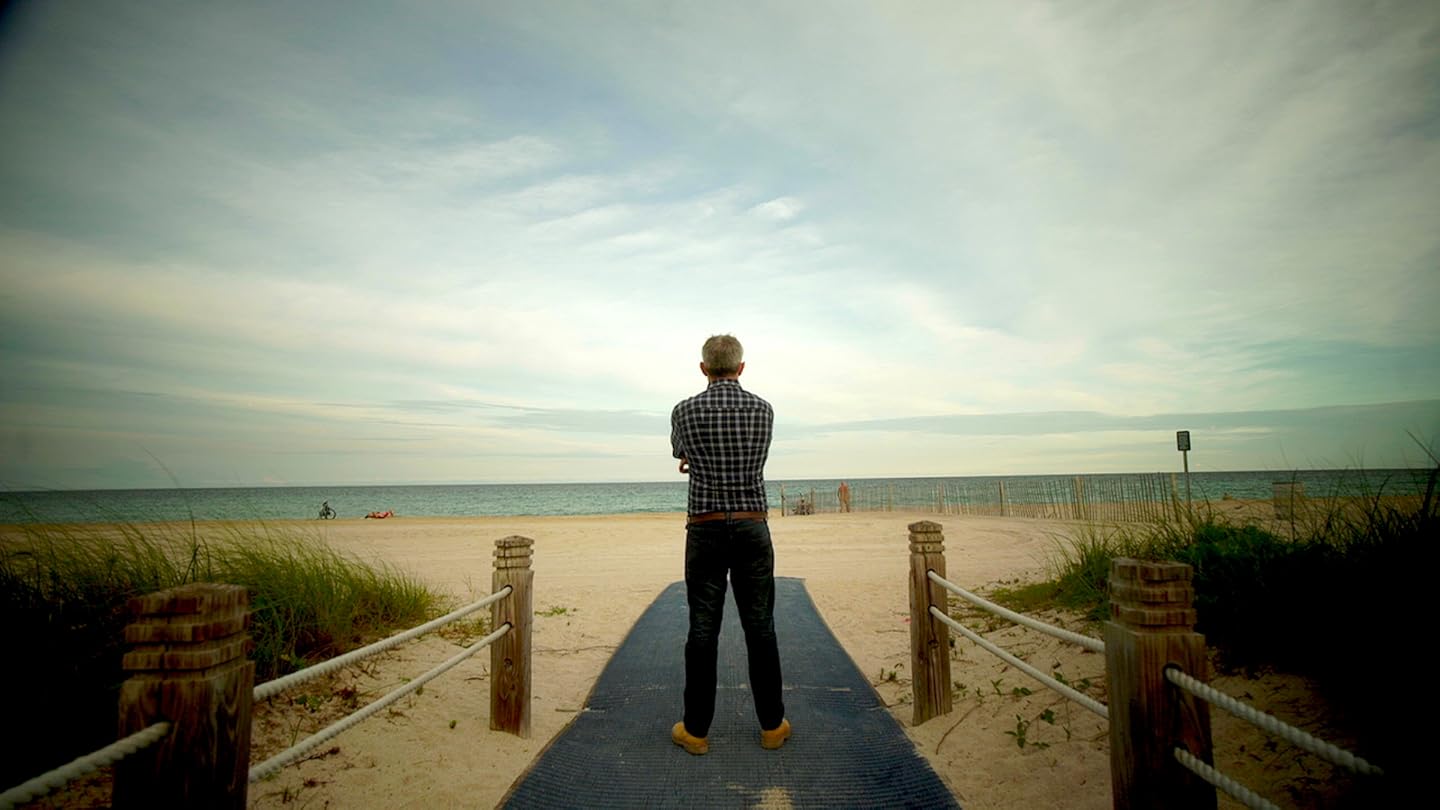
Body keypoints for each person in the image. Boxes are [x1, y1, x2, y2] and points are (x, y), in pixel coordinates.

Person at [669, 334, 790, 756]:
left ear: (703, 368)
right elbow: (757, 457)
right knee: (760, 625)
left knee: (703, 627)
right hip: (752, 524)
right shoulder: (763, 409)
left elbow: (680, 451)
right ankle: (772, 726)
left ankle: (696, 731)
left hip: (705, 527)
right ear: (741, 367)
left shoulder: (684, 410)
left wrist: (694, 460)